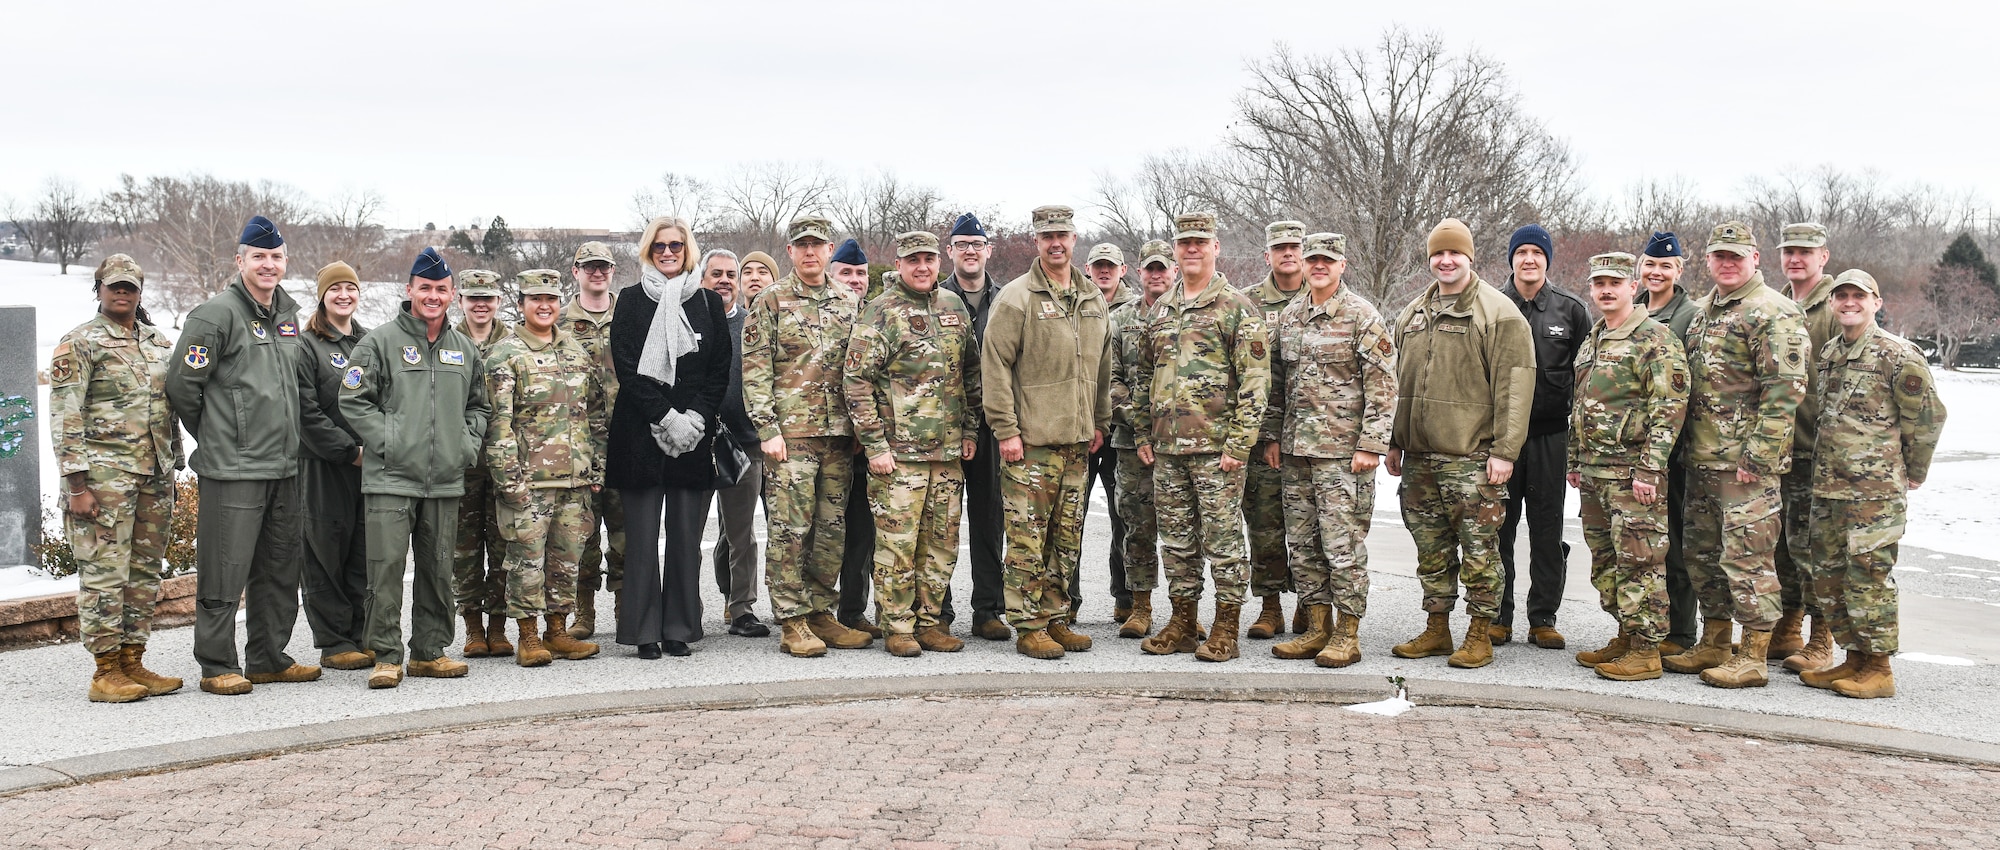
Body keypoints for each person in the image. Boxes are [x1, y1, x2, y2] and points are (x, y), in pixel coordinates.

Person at [165, 215, 317, 695]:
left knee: (278, 568)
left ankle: (268, 657)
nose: (268, 265)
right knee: (224, 568)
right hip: (234, 469)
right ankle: (216, 664)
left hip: (285, 466)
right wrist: (218, 436)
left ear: (285, 262)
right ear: (240, 261)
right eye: (259, 257)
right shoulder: (214, 316)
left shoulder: (289, 317)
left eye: (275, 257)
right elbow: (182, 387)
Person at [1662, 221, 1810, 689]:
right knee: (1703, 556)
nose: (1727, 264)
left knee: (1749, 558)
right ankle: (1716, 641)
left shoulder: (1774, 312)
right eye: (1719, 256)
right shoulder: (1704, 311)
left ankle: (1753, 654)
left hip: (1745, 466)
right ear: (1707, 261)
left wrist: (1759, 456)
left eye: (1736, 257)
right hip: (1702, 458)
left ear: (1755, 259)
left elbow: (1785, 392)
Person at [1386, 218, 1536, 670]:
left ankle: (1479, 633)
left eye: (1454, 253)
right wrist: (1394, 441)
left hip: (1472, 458)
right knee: (1430, 548)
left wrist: (1505, 451)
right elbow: (1398, 383)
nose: (1445, 261)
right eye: (1437, 254)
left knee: (1479, 551)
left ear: (1470, 258)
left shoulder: (1498, 313)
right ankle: (1437, 628)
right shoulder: (1412, 314)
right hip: (1419, 458)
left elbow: (1516, 386)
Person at [341, 247, 491, 689]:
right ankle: (386, 654)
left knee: (438, 569)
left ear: (451, 294)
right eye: (425, 288)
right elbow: (352, 399)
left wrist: (464, 444)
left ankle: (430, 651)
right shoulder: (379, 342)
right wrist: (390, 439)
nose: (433, 296)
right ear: (409, 291)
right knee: (385, 569)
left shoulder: (463, 348)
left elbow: (480, 405)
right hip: (391, 479)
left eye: (441, 289)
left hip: (444, 480)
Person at [1800, 269, 1945, 698]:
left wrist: (1913, 471)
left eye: (1858, 297)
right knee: (1829, 578)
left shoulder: (1897, 355)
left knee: (1868, 578)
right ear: (1832, 302)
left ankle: (1879, 668)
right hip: (1829, 489)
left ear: (1876, 303)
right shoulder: (1829, 353)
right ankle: (1854, 658)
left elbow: (1928, 416)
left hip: (1874, 494)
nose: (1849, 303)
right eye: (1841, 295)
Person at [1132, 211, 1270, 663]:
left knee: (1224, 541)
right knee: (1176, 543)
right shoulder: (1161, 309)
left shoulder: (1236, 307)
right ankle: (1184, 623)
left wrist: (1239, 444)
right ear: (1175, 250)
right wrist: (1142, 431)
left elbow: (1255, 381)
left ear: (1215, 248)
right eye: (1184, 242)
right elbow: (1144, 375)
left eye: (1200, 242)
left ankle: (1226, 625)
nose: (1192, 249)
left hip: (1217, 452)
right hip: (1168, 449)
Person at [49, 253, 183, 702]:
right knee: (105, 575)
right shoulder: (79, 342)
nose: (121, 292)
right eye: (113, 285)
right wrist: (77, 486)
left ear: (140, 291)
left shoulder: (158, 341)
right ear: (99, 289)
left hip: (153, 478)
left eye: (129, 285)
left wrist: (174, 466)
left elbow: (169, 408)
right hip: (104, 481)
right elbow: (64, 417)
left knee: (144, 574)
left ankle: (133, 661)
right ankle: (105, 670)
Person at [982, 204, 1112, 659]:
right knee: (1026, 538)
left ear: (1075, 240)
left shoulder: (1092, 298)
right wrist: (1006, 430)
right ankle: (1028, 623)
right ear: (1036, 242)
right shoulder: (1018, 298)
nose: (1056, 243)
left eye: (1063, 235)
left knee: (1066, 535)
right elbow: (994, 366)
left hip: (1077, 442)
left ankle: (1057, 616)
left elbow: (1102, 365)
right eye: (1046, 236)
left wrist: (1100, 421)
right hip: (1030, 443)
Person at [843, 230, 981, 656]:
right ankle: (898, 626)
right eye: (913, 259)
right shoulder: (880, 312)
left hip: (948, 453)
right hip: (898, 455)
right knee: (896, 544)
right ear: (899, 263)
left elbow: (972, 373)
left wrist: (972, 430)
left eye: (929, 258)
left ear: (939, 261)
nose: (922, 266)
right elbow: (856, 381)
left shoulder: (954, 306)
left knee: (940, 544)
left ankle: (929, 621)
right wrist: (874, 445)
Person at [1262, 233, 1395, 668]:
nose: (1318, 266)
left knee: (1342, 546)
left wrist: (1371, 445)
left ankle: (1347, 633)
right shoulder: (1291, 317)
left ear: (1342, 265)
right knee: (1303, 545)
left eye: (1327, 260)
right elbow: (1277, 384)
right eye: (1312, 259)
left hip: (1343, 456)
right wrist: (1273, 437)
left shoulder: (1362, 316)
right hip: (1297, 453)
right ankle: (1317, 627)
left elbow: (1383, 387)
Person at [742, 216, 872, 656]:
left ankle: (821, 611)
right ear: (791, 251)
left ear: (829, 249)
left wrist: (859, 427)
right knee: (790, 530)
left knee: (831, 532)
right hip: (791, 437)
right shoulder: (771, 301)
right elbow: (755, 371)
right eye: (803, 245)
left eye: (818, 245)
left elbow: (858, 371)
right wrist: (767, 430)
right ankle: (792, 619)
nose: (811, 252)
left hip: (837, 437)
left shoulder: (846, 301)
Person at [608, 217, 733, 659]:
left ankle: (679, 627)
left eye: (675, 245)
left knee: (684, 539)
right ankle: (643, 632)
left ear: (687, 249)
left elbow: (719, 370)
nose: (667, 252)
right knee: (641, 540)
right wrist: (665, 417)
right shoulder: (629, 301)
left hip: (693, 439)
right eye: (659, 245)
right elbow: (627, 368)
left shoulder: (707, 303)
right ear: (648, 250)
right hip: (640, 434)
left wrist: (693, 419)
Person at [1565, 252, 1689, 682]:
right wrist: (1575, 459)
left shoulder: (1655, 338)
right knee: (1606, 560)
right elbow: (1579, 406)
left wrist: (1650, 470)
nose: (1605, 290)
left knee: (1641, 561)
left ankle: (1647, 650)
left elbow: (1669, 409)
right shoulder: (1594, 337)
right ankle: (1625, 633)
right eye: (1599, 282)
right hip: (1595, 472)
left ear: (1632, 287)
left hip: (1631, 473)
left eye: (1615, 283)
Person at [483, 269, 608, 666]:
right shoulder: (505, 354)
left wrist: (597, 467)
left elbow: (595, 415)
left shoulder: (574, 350)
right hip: (529, 481)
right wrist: (509, 481)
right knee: (525, 562)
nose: (544, 306)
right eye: (535, 299)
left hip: (575, 479)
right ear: (520, 305)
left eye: (551, 299)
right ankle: (528, 636)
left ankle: (558, 630)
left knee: (566, 559)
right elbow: (496, 424)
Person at [1494, 224, 1591, 650]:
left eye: (1537, 252)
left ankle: (1543, 617)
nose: (1529, 259)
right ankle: (1497, 617)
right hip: (1500, 442)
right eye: (1521, 252)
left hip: (1551, 436)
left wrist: (1579, 450)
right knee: (1498, 527)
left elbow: (1586, 382)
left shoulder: (1571, 311)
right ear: (1511, 259)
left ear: (1547, 259)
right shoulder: (1492, 306)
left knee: (1547, 529)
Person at [295, 261, 373, 671]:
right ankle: (333, 640)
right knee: (325, 549)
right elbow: (305, 412)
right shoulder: (307, 345)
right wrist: (348, 450)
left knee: (363, 549)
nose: (344, 295)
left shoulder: (370, 341)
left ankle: (360, 633)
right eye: (335, 289)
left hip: (369, 465)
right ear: (322, 295)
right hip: (325, 466)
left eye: (350, 288)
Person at [937, 213, 1011, 641]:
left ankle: (988, 609)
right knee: (940, 523)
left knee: (989, 519)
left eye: (976, 244)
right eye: (961, 243)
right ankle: (939, 608)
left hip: (991, 424)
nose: (969, 250)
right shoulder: (933, 296)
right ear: (951, 251)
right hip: (942, 426)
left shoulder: (1007, 299)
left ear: (988, 250)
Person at [1771, 222, 1838, 671]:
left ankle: (1822, 637)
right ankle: (1787, 627)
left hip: (1817, 447)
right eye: (1789, 251)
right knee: (1780, 546)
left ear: (1823, 256)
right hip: (1778, 446)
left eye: (1805, 252)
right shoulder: (1778, 304)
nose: (1796, 259)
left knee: (1813, 547)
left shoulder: (1834, 307)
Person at [1632, 232, 1701, 654]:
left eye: (1665, 266)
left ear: (1679, 270)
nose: (1656, 273)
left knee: (1673, 539)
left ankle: (1679, 631)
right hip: (1632, 446)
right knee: (1641, 540)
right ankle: (1642, 626)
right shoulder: (1631, 309)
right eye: (1650, 265)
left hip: (1671, 448)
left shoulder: (1692, 315)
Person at [1241, 220, 1308, 639]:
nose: (1288, 253)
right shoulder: (1247, 302)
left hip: (1311, 434)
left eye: (1294, 246)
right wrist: (1265, 434)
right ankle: (1270, 606)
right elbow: (1246, 372)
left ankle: (1309, 603)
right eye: (1279, 248)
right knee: (1264, 522)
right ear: (1267, 255)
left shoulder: (1324, 294)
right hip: (1260, 434)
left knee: (1307, 525)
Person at [1107, 240, 1174, 639]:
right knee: (1136, 527)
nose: (1156, 275)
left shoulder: (1186, 313)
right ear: (1138, 271)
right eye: (1150, 269)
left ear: (1174, 271)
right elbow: (1111, 379)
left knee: (1185, 529)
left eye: (1163, 269)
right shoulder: (1121, 318)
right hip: (1131, 443)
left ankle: (1186, 608)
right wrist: (1137, 422)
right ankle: (1140, 606)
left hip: (1179, 442)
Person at [701, 248, 771, 637]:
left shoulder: (752, 324)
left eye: (732, 273)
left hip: (744, 443)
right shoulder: (687, 321)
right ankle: (686, 609)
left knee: (741, 532)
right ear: (703, 280)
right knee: (690, 533)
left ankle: (741, 607)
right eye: (717, 274)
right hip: (694, 443)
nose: (725, 280)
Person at [450, 270, 515, 659]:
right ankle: (473, 626)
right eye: (473, 298)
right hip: (461, 462)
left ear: (498, 301)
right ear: (461, 300)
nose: (480, 304)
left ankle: (498, 625)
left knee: (505, 544)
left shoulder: (513, 343)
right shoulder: (446, 340)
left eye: (488, 298)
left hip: (504, 459)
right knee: (464, 549)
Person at [565, 241, 624, 640]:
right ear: (576, 272)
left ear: (612, 270)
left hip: (624, 441)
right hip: (579, 444)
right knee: (581, 534)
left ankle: (625, 608)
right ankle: (583, 611)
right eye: (589, 267)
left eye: (602, 267)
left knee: (626, 533)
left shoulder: (630, 315)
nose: (596, 273)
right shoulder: (560, 323)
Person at [828, 238, 884, 638]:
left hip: (872, 442)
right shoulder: (823, 315)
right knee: (826, 529)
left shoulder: (879, 316)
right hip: (829, 441)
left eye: (860, 273)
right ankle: (816, 611)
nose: (854, 280)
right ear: (832, 274)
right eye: (845, 272)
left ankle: (852, 609)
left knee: (863, 534)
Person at [1077, 242, 1135, 622]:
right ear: (1087, 268)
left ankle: (1126, 598)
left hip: (1121, 432)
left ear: (1123, 269)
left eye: (1110, 266)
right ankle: (1066, 601)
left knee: (1124, 517)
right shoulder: (1076, 303)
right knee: (1071, 518)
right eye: (1098, 266)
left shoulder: (1139, 308)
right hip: (1081, 426)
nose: (1104, 272)